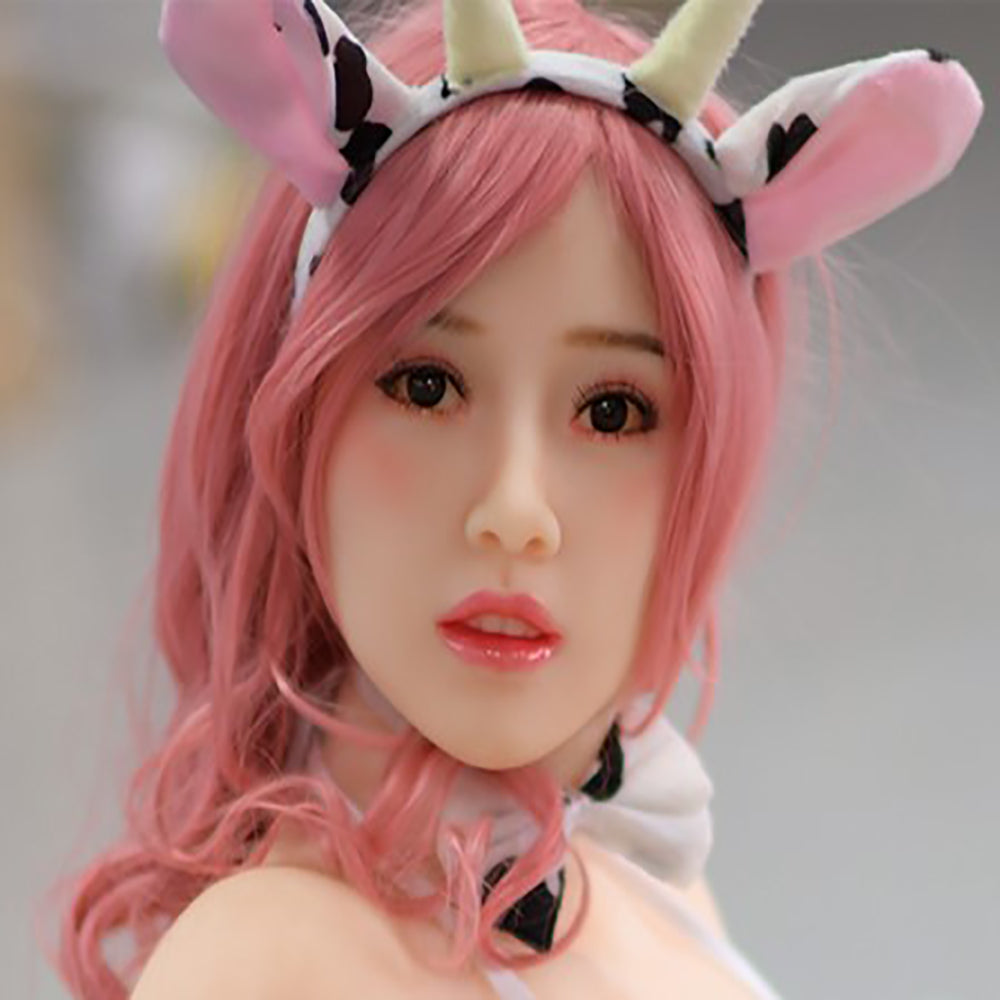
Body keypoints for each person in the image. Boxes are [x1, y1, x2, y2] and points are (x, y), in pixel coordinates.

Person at [52, 1, 982, 997]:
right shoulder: (266, 965)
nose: (515, 509)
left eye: (613, 411)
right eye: (425, 386)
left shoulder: (646, 879)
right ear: (291, 411)